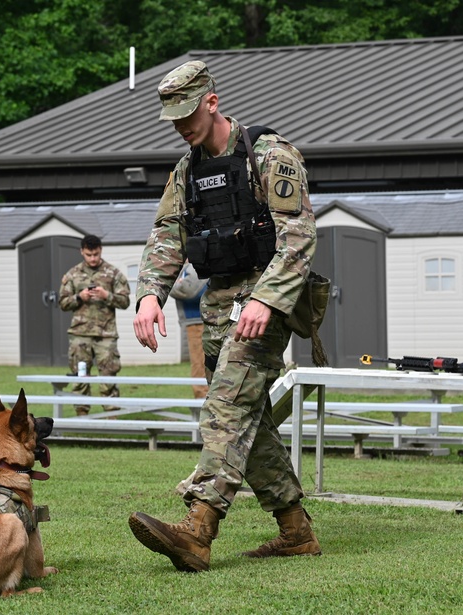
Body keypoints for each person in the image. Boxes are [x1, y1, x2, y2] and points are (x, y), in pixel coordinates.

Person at [128, 60, 321, 572]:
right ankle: (295, 531)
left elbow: (299, 238)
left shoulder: (270, 155)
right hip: (219, 304)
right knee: (248, 419)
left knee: (227, 405)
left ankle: (199, 526)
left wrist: (266, 299)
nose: (182, 126)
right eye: (173, 118)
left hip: (267, 301)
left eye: (189, 113)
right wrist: (150, 294)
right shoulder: (186, 171)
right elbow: (166, 235)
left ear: (212, 101)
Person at [58, 235, 131, 415]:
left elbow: (125, 301)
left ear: (101, 251)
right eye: (89, 254)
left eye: (96, 254)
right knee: (80, 377)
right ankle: (82, 416)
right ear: (82, 252)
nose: (92, 258)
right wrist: (78, 297)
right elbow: (62, 303)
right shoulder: (72, 275)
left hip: (106, 335)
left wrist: (107, 296)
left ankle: (111, 416)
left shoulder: (113, 273)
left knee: (108, 377)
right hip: (80, 335)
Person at [169, 261, 209, 399]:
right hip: (196, 321)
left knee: (199, 367)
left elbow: (186, 289)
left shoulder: (195, 265)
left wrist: (171, 283)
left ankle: (201, 406)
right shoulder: (188, 266)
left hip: (198, 322)